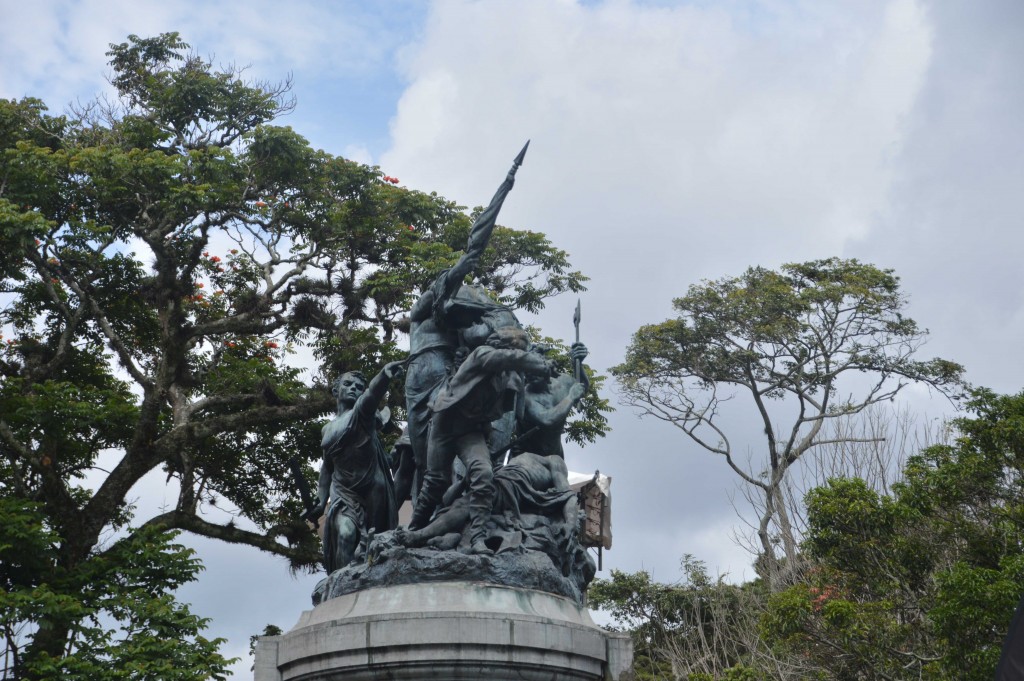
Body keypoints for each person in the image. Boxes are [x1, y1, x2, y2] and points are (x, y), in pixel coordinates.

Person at [404, 146, 527, 488]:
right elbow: (444, 292)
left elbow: (487, 338)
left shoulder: (461, 323)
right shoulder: (422, 312)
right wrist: (462, 265)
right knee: (419, 449)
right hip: (420, 377)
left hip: (447, 379)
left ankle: (462, 489)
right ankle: (425, 503)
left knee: (454, 437)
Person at [408, 326, 551, 554]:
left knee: (484, 475)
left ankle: (476, 539)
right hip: (445, 424)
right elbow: (505, 358)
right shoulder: (482, 354)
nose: (517, 355)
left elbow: (512, 407)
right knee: (436, 481)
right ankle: (412, 532)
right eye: (517, 349)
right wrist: (537, 362)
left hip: (471, 431)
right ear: (505, 347)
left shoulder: (508, 377)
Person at [309, 362, 403, 573]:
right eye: (348, 384)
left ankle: (372, 580)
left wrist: (384, 377)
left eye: (358, 386)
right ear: (336, 390)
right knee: (345, 534)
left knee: (375, 541)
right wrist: (321, 499)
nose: (354, 388)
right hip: (343, 489)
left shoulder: (363, 412)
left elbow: (372, 394)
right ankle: (342, 583)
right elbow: (327, 468)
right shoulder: (327, 429)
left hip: (372, 488)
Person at [512, 343, 589, 459]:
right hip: (527, 455)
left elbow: (582, 387)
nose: (530, 374)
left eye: (535, 369)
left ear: (546, 366)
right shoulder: (526, 397)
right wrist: (571, 397)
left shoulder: (564, 381)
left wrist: (577, 363)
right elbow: (547, 420)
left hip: (555, 452)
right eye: (527, 370)